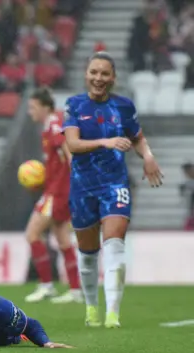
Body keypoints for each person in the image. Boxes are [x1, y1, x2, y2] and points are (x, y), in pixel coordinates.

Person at [63, 51, 163, 328]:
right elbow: (72, 144)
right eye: (94, 72)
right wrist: (106, 142)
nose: (99, 78)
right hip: (82, 187)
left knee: (115, 243)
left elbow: (138, 137)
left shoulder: (124, 106)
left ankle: (113, 314)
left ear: (113, 77)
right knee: (88, 254)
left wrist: (149, 156)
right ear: (86, 74)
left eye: (105, 73)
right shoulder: (74, 105)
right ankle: (92, 308)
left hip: (115, 184)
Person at [24, 87, 83, 304]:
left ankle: (47, 285)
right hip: (57, 188)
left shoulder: (55, 124)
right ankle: (76, 289)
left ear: (44, 106)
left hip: (58, 191)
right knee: (62, 237)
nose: (30, 112)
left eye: (33, 107)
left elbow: (69, 150)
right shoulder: (52, 124)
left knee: (32, 233)